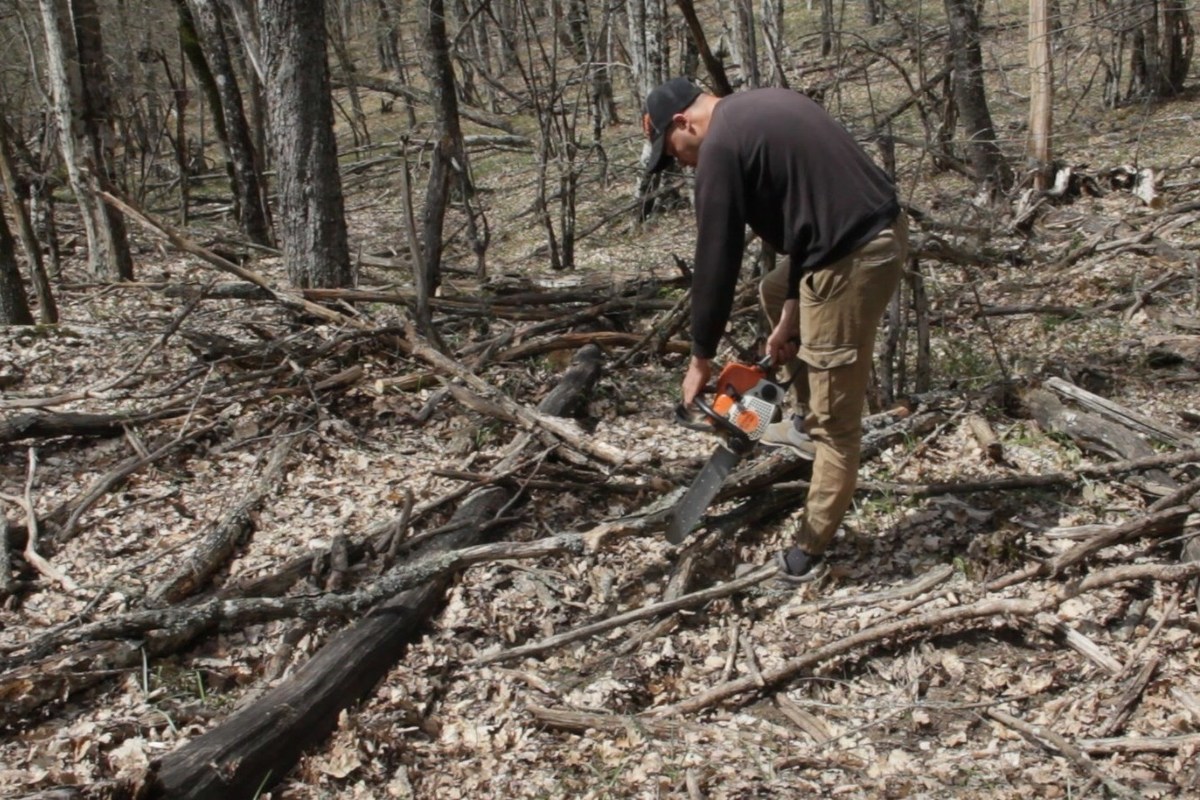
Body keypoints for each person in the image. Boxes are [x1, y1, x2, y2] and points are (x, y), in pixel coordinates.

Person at [643, 77, 909, 584]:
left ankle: (808, 550)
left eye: (672, 151)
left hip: (855, 257)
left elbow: (715, 260)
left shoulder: (720, 146)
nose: (679, 162)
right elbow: (809, 217)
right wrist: (791, 312)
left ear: (684, 122)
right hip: (842, 241)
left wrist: (700, 357)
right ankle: (805, 423)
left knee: (839, 422)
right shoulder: (762, 107)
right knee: (771, 289)